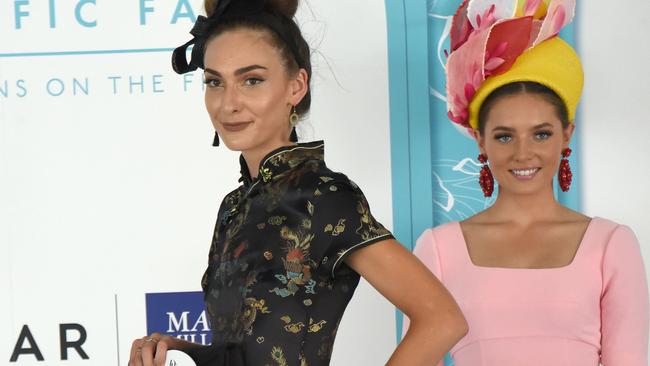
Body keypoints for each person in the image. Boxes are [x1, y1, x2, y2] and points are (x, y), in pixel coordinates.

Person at [128, 0, 468, 365]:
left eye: (252, 80)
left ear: (296, 85)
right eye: (215, 82)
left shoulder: (322, 195)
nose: (228, 104)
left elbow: (442, 319)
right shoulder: (233, 207)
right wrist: (184, 350)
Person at [405, 0, 649, 365]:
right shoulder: (438, 249)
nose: (523, 153)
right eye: (504, 136)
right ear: (480, 139)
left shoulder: (611, 245)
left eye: (541, 134)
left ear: (566, 135)